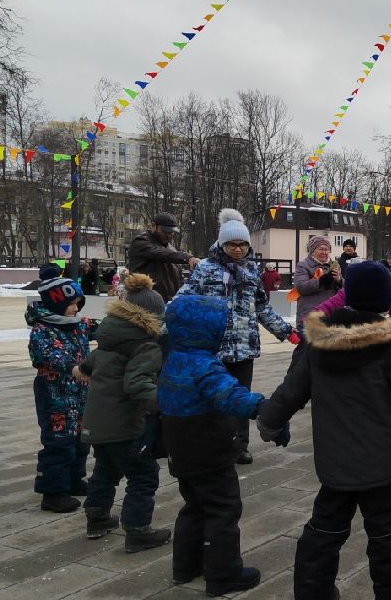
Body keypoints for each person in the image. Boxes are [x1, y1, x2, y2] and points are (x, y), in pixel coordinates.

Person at [257, 261, 391, 600]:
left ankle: (313, 592)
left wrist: (269, 421)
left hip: (335, 463)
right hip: (384, 464)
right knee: (388, 535)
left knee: (324, 530)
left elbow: (291, 390)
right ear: (385, 300)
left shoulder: (316, 341)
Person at [157, 294, 279, 596]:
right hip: (207, 448)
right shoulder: (204, 366)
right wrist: (262, 406)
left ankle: (185, 566)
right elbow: (232, 398)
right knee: (223, 508)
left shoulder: (172, 359)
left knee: (194, 505)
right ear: (208, 332)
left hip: (180, 448)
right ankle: (223, 573)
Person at [176, 209, 297, 466]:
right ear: (222, 244)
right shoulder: (206, 269)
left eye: (243, 244)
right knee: (213, 395)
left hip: (244, 346)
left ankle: (239, 445)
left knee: (241, 396)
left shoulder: (252, 271)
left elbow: (262, 307)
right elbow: (185, 299)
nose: (238, 249)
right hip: (213, 347)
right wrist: (165, 323)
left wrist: (287, 333)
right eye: (232, 244)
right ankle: (214, 442)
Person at [76, 273, 171, 552]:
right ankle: (138, 530)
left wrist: (80, 370)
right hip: (125, 424)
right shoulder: (145, 344)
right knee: (143, 474)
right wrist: (165, 405)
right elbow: (137, 385)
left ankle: (97, 519)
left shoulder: (110, 336)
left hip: (97, 422)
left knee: (105, 469)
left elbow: (90, 364)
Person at [27, 276, 98, 513]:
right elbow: (50, 354)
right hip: (53, 392)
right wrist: (72, 368)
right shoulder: (42, 329)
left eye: (78, 303)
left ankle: (73, 479)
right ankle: (53, 491)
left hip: (79, 392)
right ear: (56, 303)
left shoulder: (79, 323)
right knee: (59, 441)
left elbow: (102, 328)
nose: (76, 309)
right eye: (71, 303)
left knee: (80, 439)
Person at [128, 212, 200, 303]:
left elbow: (179, 278)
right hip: (144, 304)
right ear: (153, 226)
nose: (168, 235)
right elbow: (161, 253)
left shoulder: (171, 249)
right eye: (165, 231)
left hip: (168, 304)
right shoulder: (141, 242)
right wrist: (187, 257)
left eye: (171, 232)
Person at [292, 236, 343, 330]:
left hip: (331, 314)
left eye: (327, 249)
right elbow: (301, 288)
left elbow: (342, 291)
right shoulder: (303, 265)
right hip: (310, 313)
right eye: (321, 249)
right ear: (312, 250)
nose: (324, 252)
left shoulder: (334, 264)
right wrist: (321, 281)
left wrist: (339, 281)